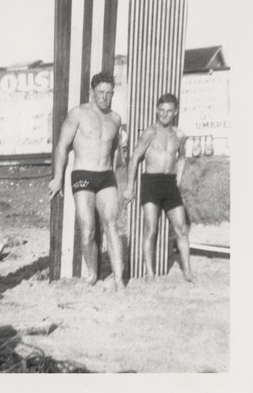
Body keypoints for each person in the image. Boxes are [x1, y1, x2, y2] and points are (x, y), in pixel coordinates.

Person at [48, 72, 125, 290]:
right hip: (83, 174)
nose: (104, 98)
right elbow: (62, 147)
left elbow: (115, 149)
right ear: (92, 92)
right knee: (88, 229)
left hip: (106, 176)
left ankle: (119, 280)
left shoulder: (115, 119)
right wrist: (57, 177)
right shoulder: (78, 114)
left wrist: (118, 172)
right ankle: (92, 274)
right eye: (100, 93)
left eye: (109, 93)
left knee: (112, 226)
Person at [123, 93, 193, 282]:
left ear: (175, 112)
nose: (164, 114)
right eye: (161, 110)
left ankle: (187, 271)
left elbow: (182, 157)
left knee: (181, 228)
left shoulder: (179, 135)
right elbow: (134, 158)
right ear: (156, 110)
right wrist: (130, 186)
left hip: (169, 184)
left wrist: (178, 178)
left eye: (169, 111)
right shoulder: (150, 132)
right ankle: (150, 273)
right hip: (151, 183)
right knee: (150, 229)